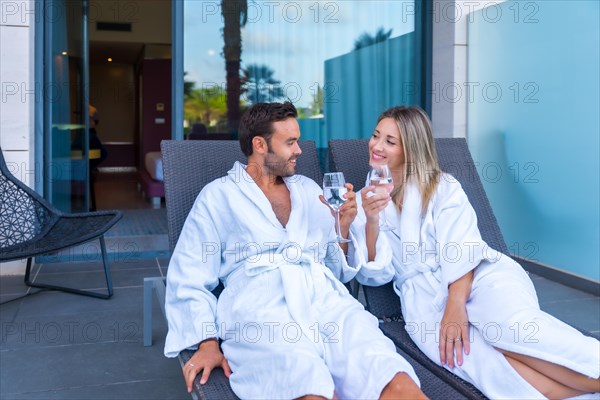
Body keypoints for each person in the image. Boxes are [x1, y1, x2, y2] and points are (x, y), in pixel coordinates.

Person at [164, 102, 426, 399]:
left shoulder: (306, 189)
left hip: (325, 300)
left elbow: (336, 270)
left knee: (388, 373)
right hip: (259, 308)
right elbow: (188, 277)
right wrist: (207, 342)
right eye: (290, 142)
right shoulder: (218, 196)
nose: (299, 149)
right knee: (303, 382)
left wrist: (342, 228)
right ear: (260, 145)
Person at [350, 105, 600, 399]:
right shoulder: (363, 202)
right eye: (376, 135)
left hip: (480, 276)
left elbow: (463, 249)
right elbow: (374, 275)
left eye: (390, 141)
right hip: (423, 303)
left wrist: (456, 305)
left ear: (411, 148)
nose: (376, 146)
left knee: (509, 331)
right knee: (489, 367)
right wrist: (372, 221)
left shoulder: (442, 187)